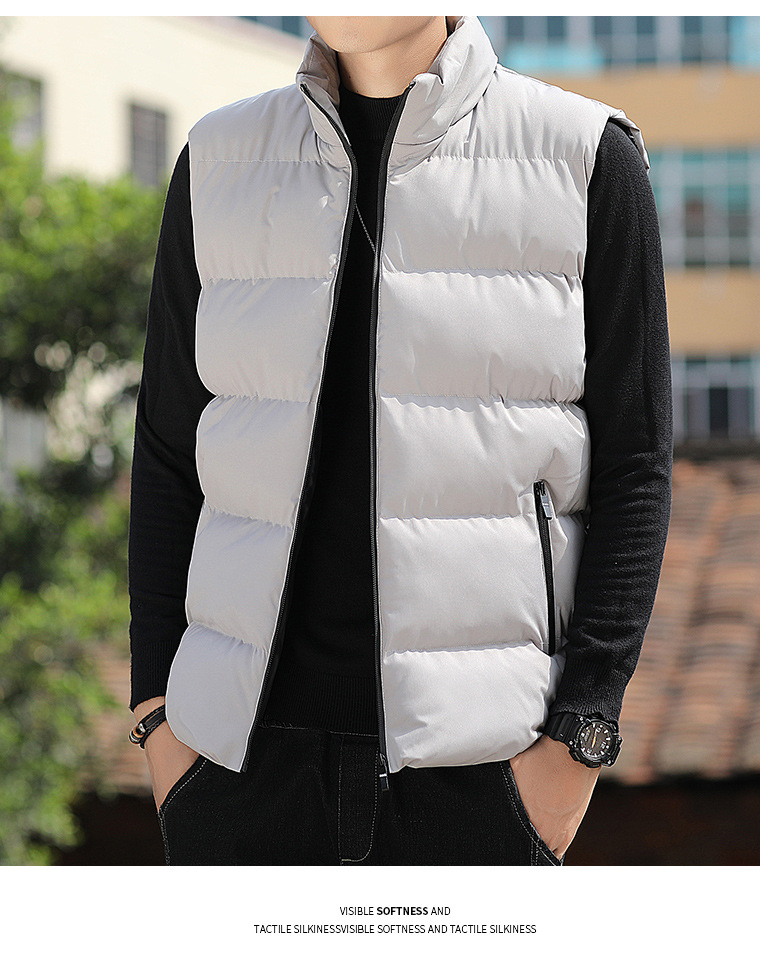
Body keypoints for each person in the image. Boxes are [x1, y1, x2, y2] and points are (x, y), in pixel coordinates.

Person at [128, 15, 672, 865]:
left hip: (482, 777)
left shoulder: (585, 157)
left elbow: (636, 468)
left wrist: (581, 735)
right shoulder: (216, 159)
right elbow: (166, 454)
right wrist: (159, 718)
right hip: (235, 774)